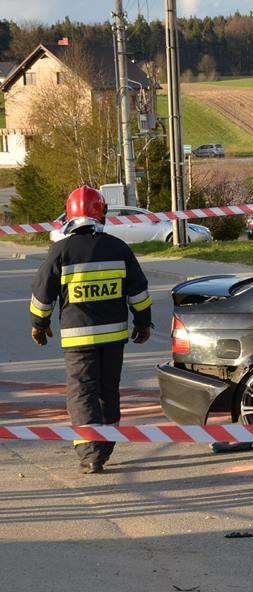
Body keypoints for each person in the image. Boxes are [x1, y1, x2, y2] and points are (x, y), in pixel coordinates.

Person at [30, 186, 153, 473]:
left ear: (69, 216)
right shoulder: (119, 249)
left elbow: (42, 296)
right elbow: (139, 293)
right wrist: (143, 323)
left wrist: (39, 325)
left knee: (82, 392)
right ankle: (104, 448)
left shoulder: (60, 251)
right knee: (108, 391)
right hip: (114, 338)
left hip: (78, 340)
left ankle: (90, 453)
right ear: (102, 214)